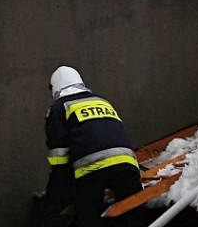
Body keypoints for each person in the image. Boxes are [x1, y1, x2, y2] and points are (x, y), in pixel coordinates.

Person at [44, 66, 143, 226]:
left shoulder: (59, 108)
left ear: (55, 88)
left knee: (88, 219)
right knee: (132, 218)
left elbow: (59, 162)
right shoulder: (102, 101)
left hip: (92, 171)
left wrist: (55, 199)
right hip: (128, 166)